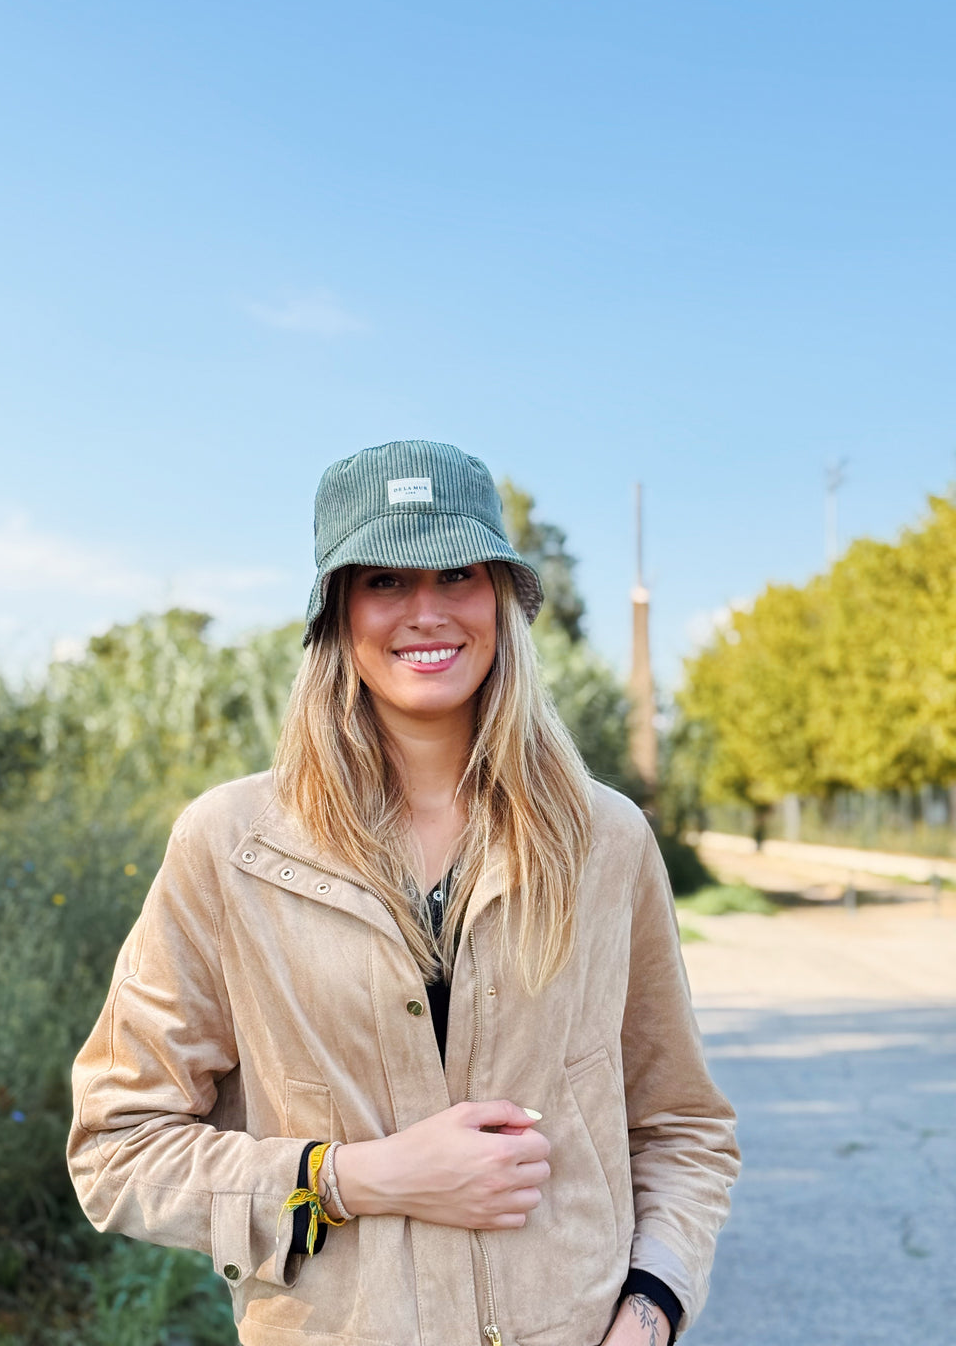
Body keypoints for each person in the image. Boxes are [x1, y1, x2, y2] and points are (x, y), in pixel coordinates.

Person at [68, 439, 739, 1346]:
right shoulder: (231, 848)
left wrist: (651, 1311)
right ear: (337, 613)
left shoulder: (605, 839)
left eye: (457, 574)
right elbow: (118, 1147)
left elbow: (681, 1125)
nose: (426, 612)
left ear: (501, 599)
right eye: (384, 580)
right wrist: (359, 1178)